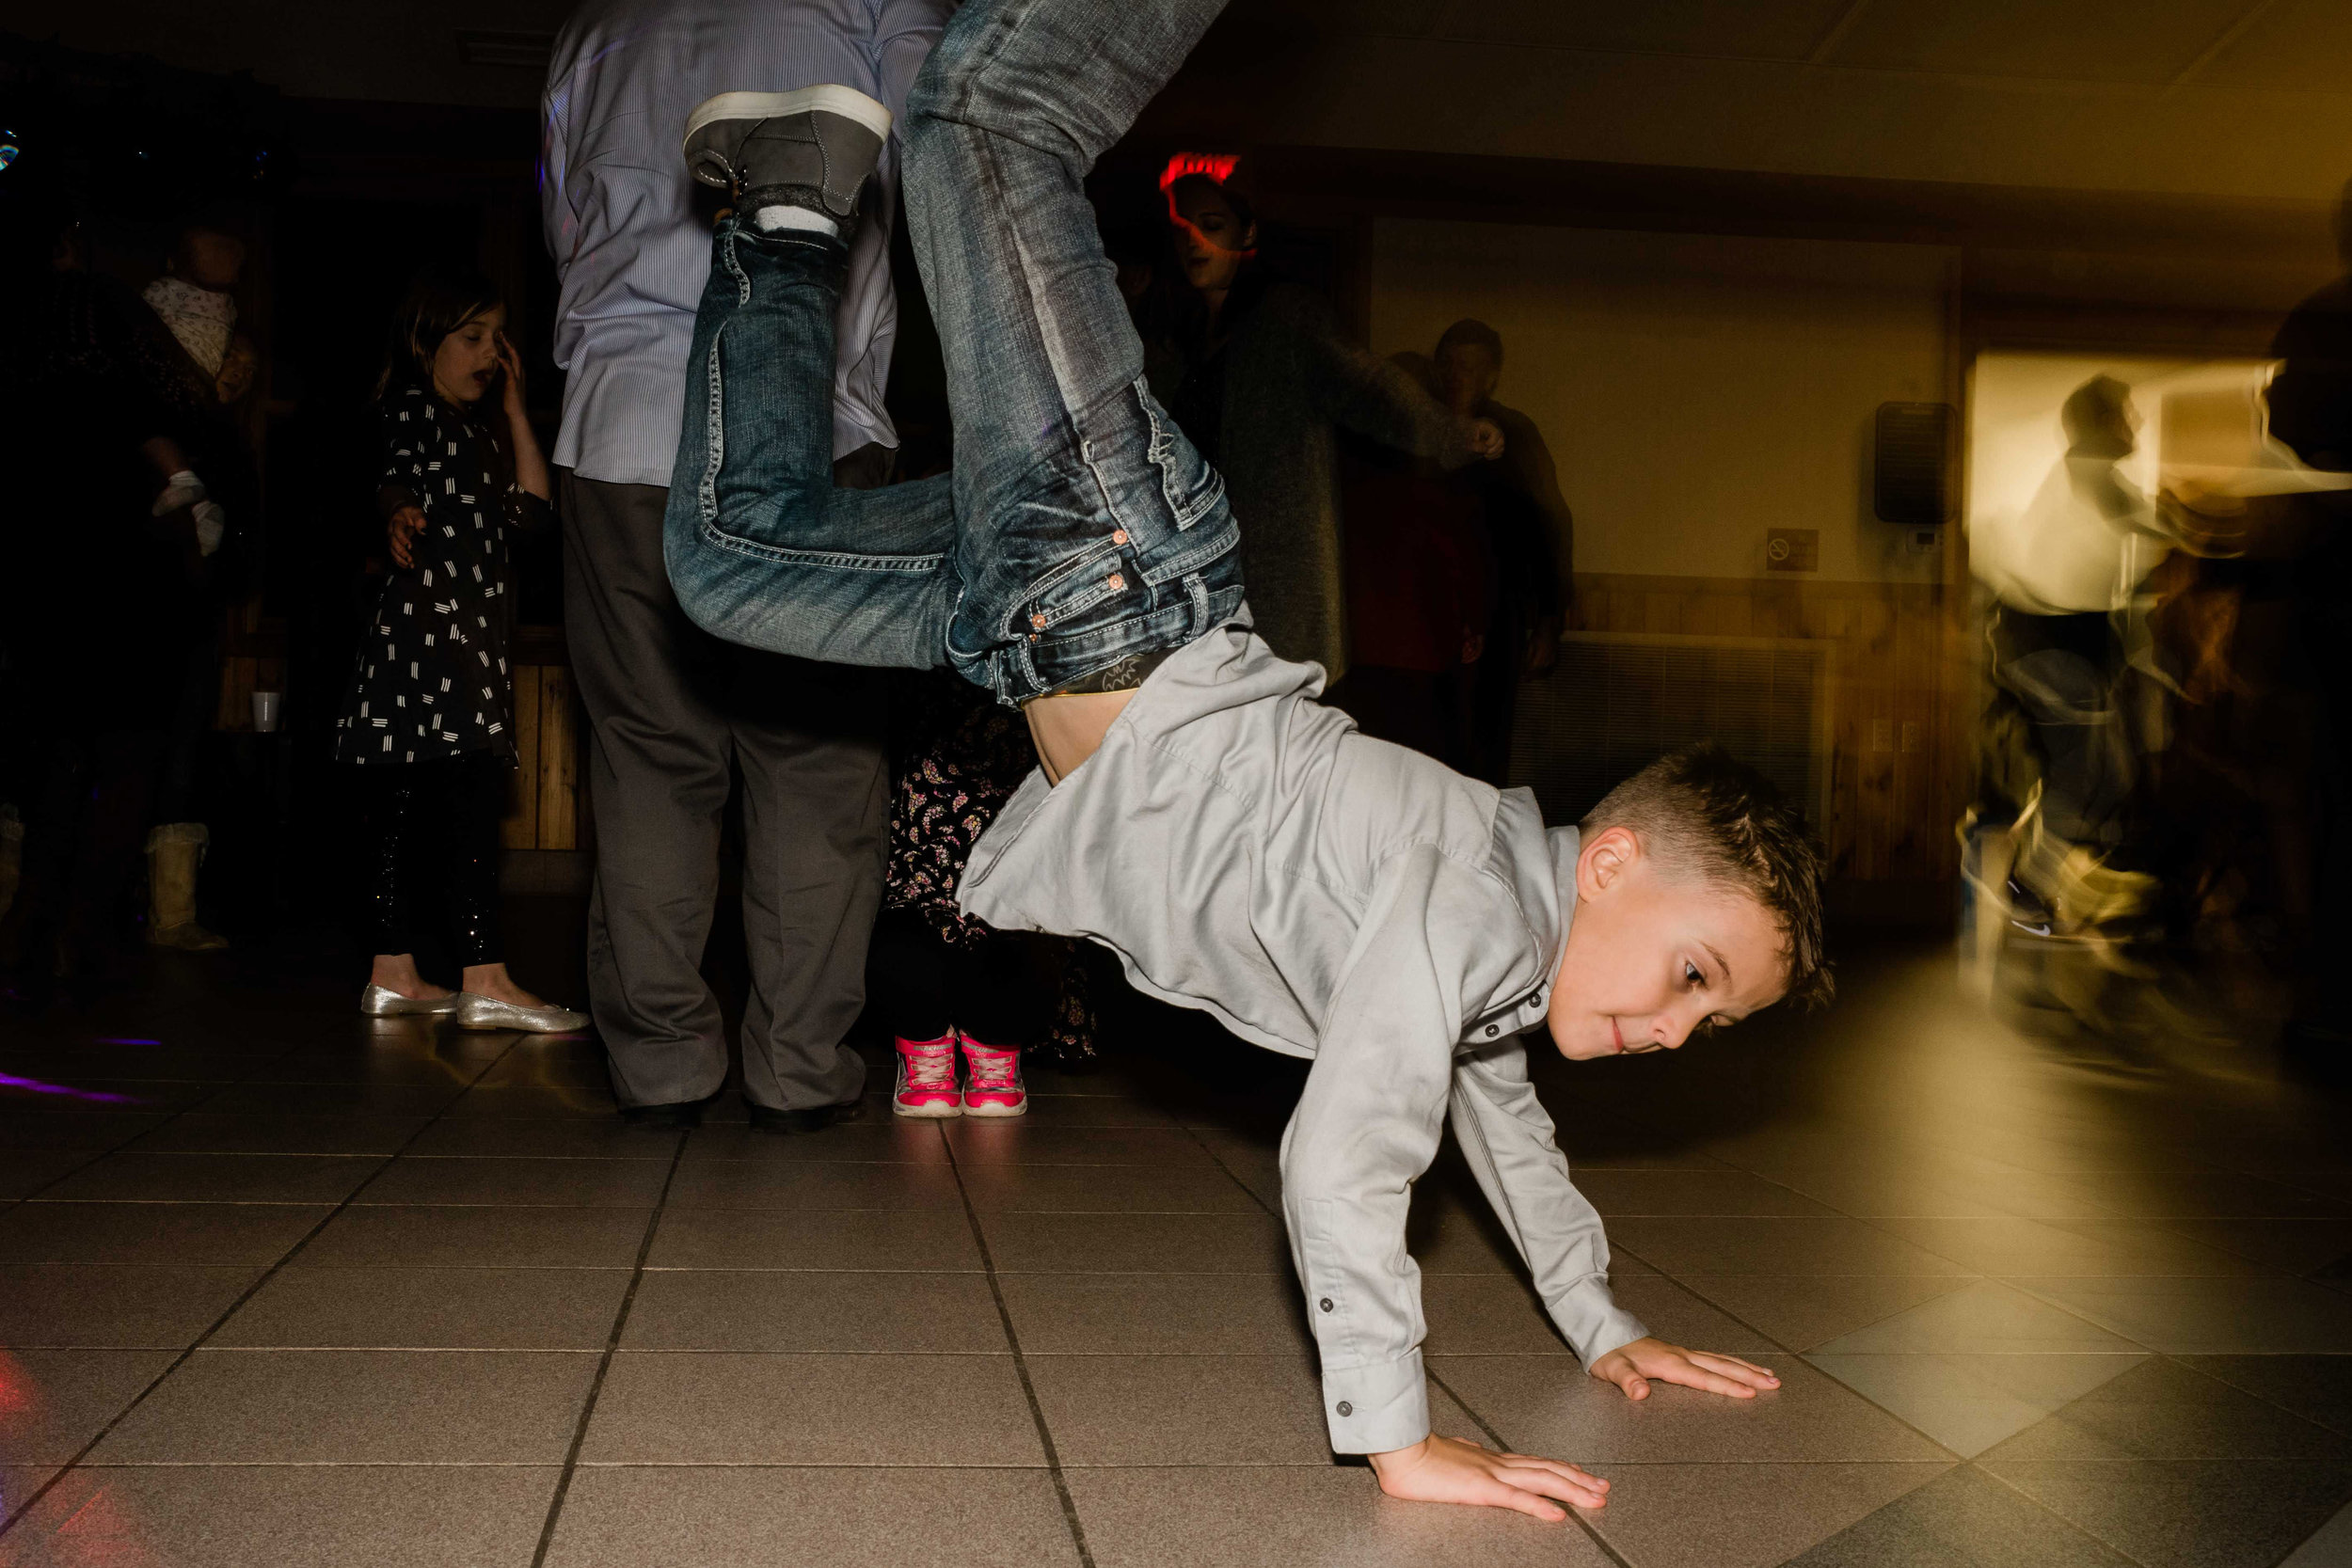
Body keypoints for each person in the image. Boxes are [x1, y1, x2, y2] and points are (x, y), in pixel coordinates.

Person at [657, 0, 1831, 1520]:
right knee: (988, 125)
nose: (1677, 1031)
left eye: (1708, 1020)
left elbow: (1510, 1135)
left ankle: (792, 205)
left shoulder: (1491, 951)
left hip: (1023, 625)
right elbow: (1349, 1159)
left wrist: (1608, 1322)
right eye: (1693, 974)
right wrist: (1396, 1432)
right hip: (1112, 572)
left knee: (729, 560)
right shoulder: (1472, 901)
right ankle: (832, 185)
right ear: (1613, 862)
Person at [540, 0, 949, 1132]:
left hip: (622, 425)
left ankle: (664, 1059)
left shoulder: (596, 27)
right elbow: (950, 171)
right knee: (816, 764)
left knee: (648, 758)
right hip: (810, 429)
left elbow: (567, 231)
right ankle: (799, 1061)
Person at [330, 267, 587, 1035]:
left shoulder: (475, 432)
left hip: (460, 645)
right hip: (427, 646)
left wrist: (513, 407)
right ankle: (485, 977)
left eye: (498, 339)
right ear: (425, 341)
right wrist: (399, 508)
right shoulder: (411, 409)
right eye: (471, 337)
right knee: (459, 803)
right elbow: (392, 472)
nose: (489, 352)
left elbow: (535, 515)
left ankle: (394, 972)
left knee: (413, 807)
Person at [1144, 168, 1501, 684]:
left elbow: (1367, 384)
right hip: (1195, 584)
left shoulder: (1287, 318)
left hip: (1276, 584)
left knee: (1278, 734)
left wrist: (1452, 432)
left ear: (1246, 234)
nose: (1193, 240)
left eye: (1212, 224)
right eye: (1184, 229)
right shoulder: (1172, 341)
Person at [870, 671, 1104, 1117]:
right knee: (904, 933)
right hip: (939, 718)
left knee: (1023, 927)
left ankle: (994, 1044)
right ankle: (925, 1043)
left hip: (1028, 717)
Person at [1430, 318, 1573, 783]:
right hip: (1423, 613)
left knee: (1485, 743)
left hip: (1498, 614)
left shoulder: (1515, 436)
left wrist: (1550, 621)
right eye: (1449, 364)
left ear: (1492, 376)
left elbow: (1551, 524)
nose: (1458, 376)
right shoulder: (1414, 431)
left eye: (1470, 366)